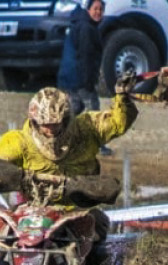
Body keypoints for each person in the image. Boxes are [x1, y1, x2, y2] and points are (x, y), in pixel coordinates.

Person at [0, 75, 138, 265]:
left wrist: (123, 98)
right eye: (45, 126)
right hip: (31, 211)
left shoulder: (87, 129)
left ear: (67, 119)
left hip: (76, 211)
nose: (51, 131)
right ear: (35, 122)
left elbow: (118, 122)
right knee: (5, 231)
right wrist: (0, 175)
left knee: (99, 225)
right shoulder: (19, 140)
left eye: (56, 125)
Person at [56, 0, 113, 156]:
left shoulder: (78, 23)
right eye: (95, 9)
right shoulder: (87, 28)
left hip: (68, 77)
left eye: (101, 9)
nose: (98, 12)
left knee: (75, 109)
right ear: (88, 10)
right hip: (78, 78)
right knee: (93, 109)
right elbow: (86, 57)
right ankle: (98, 146)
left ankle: (58, 139)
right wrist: (88, 82)